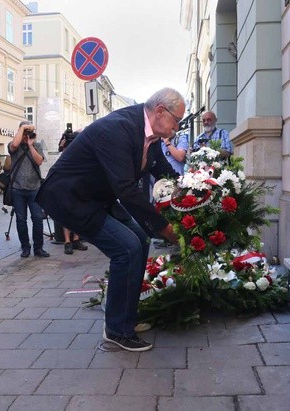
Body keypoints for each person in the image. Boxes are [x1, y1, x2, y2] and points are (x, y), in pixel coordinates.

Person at [37, 88, 182, 352]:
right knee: (127, 248)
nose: (176, 128)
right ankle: (117, 330)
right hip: (72, 198)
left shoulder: (152, 137)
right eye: (176, 120)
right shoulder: (118, 129)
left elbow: (164, 170)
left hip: (97, 198)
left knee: (140, 238)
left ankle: (125, 318)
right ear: (160, 111)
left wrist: (193, 191)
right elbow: (126, 190)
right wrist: (164, 227)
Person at [9, 121, 49, 258]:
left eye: (29, 131)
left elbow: (39, 161)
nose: (27, 134)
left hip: (35, 188)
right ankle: (25, 248)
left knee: (37, 219)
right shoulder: (14, 145)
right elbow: (14, 145)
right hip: (18, 188)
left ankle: (38, 248)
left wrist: (31, 145)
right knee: (21, 220)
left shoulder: (37, 145)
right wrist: (23, 128)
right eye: (25, 132)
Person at [57, 130, 88, 255]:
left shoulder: (82, 150)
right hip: (66, 185)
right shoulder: (66, 152)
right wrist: (62, 144)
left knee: (78, 213)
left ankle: (76, 239)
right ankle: (67, 241)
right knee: (67, 214)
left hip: (79, 184)